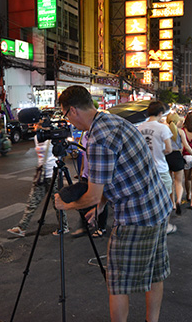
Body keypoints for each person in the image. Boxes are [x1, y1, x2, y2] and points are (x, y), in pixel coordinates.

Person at [54, 85, 172, 322]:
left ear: (73, 110)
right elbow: (122, 173)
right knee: (155, 272)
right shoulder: (116, 122)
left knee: (117, 282)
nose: (68, 121)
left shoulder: (98, 139)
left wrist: (66, 205)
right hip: (158, 208)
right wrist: (100, 205)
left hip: (136, 218)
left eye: (65, 115)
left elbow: (92, 195)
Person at [7, 119, 69, 237]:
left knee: (57, 202)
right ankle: (22, 227)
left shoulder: (54, 137)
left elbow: (62, 153)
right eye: (37, 124)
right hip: (41, 174)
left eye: (40, 124)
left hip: (53, 174)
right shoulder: (38, 137)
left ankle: (64, 226)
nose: (37, 127)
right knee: (32, 201)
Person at [138, 101, 177, 234]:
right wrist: (160, 152)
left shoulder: (140, 127)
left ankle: (148, 224)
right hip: (160, 168)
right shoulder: (163, 128)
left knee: (148, 199)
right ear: (160, 113)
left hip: (145, 170)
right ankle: (165, 226)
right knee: (166, 198)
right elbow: (169, 149)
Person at [165, 112, 187, 214]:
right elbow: (186, 146)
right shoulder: (180, 132)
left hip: (167, 157)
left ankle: (172, 203)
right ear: (177, 121)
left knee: (170, 182)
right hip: (177, 156)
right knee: (178, 182)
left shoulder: (164, 131)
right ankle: (179, 200)